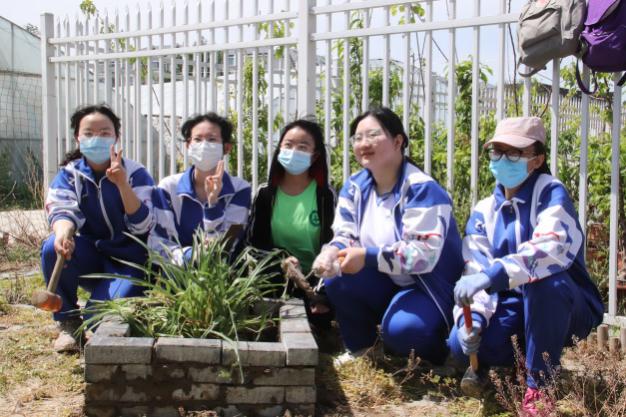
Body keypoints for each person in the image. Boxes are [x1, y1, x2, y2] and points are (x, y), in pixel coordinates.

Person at [447, 117, 604, 414]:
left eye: (515, 153)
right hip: (514, 304)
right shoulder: (484, 211)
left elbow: (548, 249)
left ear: (537, 159)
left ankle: (540, 387)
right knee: (461, 343)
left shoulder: (551, 193)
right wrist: (474, 318)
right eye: (497, 151)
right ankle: (524, 359)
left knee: (543, 283)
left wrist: (492, 275)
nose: (503, 159)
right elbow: (475, 268)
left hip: (565, 303)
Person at [312, 107, 464, 365]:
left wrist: (367, 257)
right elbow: (345, 233)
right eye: (358, 138)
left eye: (373, 135)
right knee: (337, 274)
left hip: (426, 287)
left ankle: (440, 354)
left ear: (397, 141)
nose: (364, 144)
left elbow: (422, 257)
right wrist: (331, 252)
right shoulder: (355, 186)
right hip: (386, 279)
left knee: (406, 331)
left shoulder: (422, 189)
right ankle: (362, 348)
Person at [42, 104, 156, 352]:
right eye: (89, 133)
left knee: (97, 316)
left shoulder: (135, 173)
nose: (97, 139)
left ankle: (108, 310)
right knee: (52, 247)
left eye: (105, 133)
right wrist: (63, 233)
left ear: (116, 137)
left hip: (131, 263)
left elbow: (143, 224)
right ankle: (68, 323)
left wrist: (122, 184)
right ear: (78, 138)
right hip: (93, 256)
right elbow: (62, 210)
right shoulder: (70, 175)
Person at [245, 118, 336, 327]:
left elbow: (333, 243)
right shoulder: (265, 194)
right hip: (276, 275)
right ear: (279, 149)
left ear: (315, 155)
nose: (294, 151)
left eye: (302, 147)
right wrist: (282, 258)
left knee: (321, 316)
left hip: (315, 278)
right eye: (288, 145)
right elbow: (253, 244)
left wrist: (319, 288)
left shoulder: (325, 195)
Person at [150, 112, 251, 263]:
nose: (204, 145)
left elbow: (227, 246)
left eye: (212, 139)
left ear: (226, 148)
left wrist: (213, 204)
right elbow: (159, 244)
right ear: (188, 145)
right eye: (197, 139)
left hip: (224, 274)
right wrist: (192, 256)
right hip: (176, 273)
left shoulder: (240, 189)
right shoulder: (168, 188)